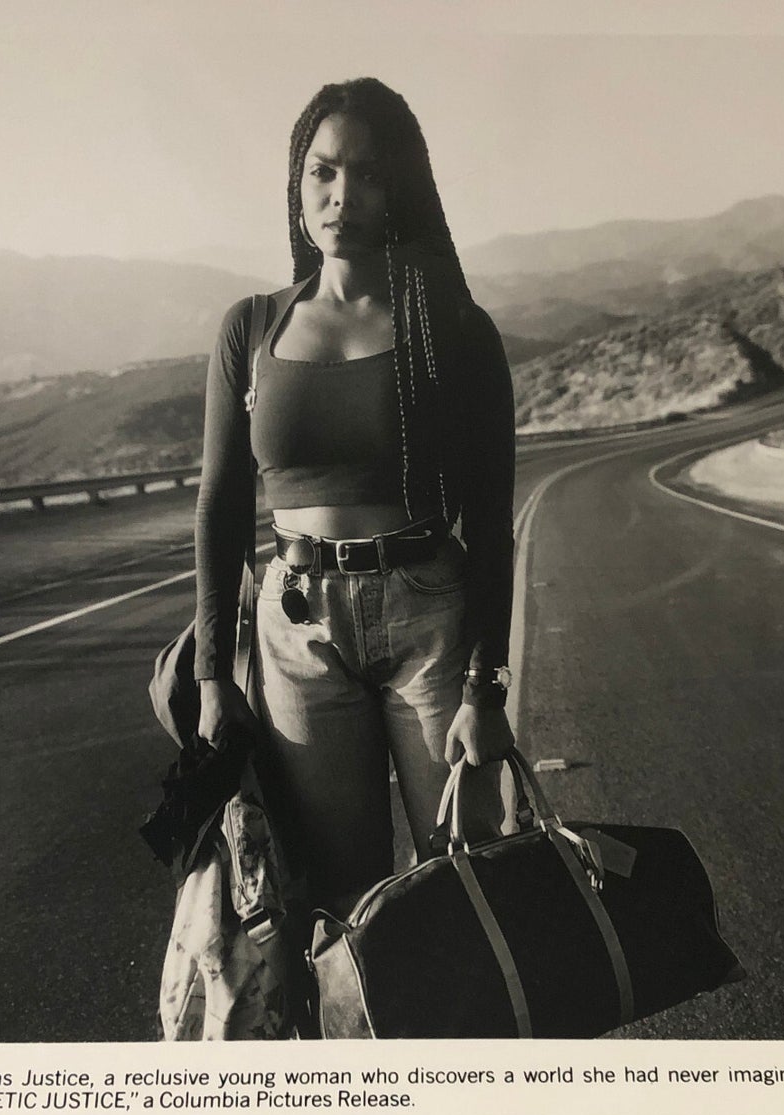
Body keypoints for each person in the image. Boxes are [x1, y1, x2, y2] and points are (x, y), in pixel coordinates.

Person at [192, 77, 516, 917]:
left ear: (399, 186)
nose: (343, 195)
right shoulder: (250, 327)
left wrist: (486, 688)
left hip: (428, 616)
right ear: (296, 184)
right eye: (323, 172)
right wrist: (212, 675)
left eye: (368, 174)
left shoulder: (453, 328)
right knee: (341, 898)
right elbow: (221, 508)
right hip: (296, 630)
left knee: (467, 882)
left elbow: (491, 521)